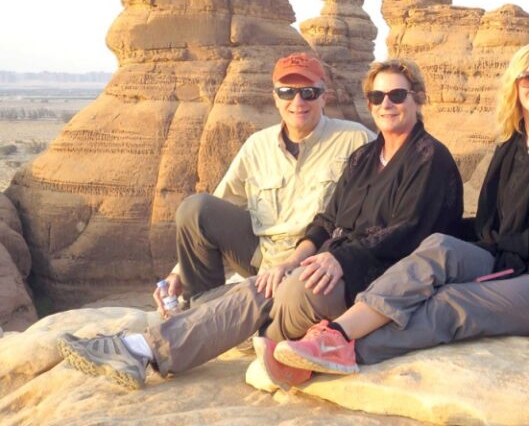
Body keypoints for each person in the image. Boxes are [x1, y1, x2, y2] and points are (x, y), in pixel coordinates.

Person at [58, 58, 464, 389]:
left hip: (374, 283)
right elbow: (327, 220)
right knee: (264, 286)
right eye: (377, 96)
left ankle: (152, 345)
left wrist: (337, 260)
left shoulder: (428, 158)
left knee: (269, 293)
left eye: (397, 95)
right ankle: (144, 347)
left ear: (417, 99)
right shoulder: (365, 157)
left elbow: (408, 232)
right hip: (324, 266)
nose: (386, 104)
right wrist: (295, 260)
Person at [272, 41, 529, 377]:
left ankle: (347, 349)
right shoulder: (511, 147)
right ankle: (334, 334)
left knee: (451, 300)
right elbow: (488, 226)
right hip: (507, 260)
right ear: (516, 84)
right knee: (439, 246)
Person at [154, 52, 374, 314]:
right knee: (195, 209)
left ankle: (208, 310)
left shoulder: (355, 139)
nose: (297, 102)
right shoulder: (257, 145)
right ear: (275, 98)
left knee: (221, 308)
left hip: (317, 261)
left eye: (309, 93)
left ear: (324, 96)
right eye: (287, 92)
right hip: (265, 258)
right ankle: (199, 305)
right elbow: (222, 200)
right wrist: (178, 272)